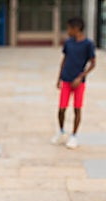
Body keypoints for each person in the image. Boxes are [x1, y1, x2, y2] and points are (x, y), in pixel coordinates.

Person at [51, 17, 96, 149]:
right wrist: (59, 78)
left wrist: (81, 77)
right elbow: (64, 59)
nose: (68, 31)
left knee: (77, 109)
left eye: (69, 28)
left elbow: (93, 63)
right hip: (66, 79)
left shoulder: (88, 44)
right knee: (61, 109)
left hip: (78, 82)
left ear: (76, 29)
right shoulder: (68, 43)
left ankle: (74, 136)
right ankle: (61, 132)